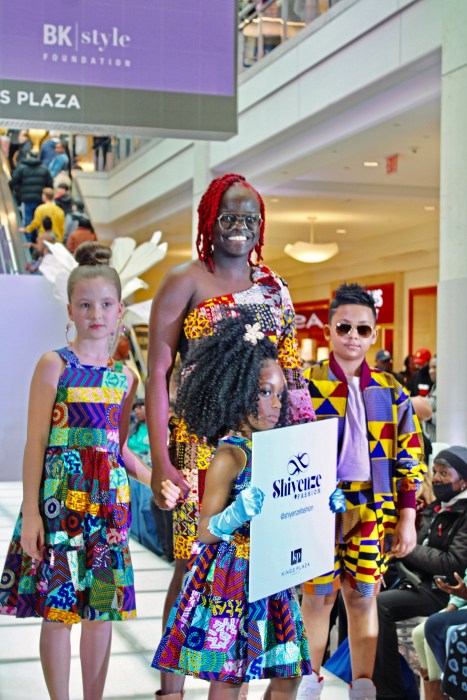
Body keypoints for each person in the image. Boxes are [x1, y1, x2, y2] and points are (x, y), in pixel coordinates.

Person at [146, 172, 315, 699]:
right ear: (209, 219)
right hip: (197, 445)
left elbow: (291, 373)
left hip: (263, 448)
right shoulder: (184, 280)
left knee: (252, 568)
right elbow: (157, 372)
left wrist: (304, 453)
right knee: (193, 561)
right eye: (229, 218)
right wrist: (158, 461)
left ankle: (239, 670)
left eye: (250, 219)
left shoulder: (274, 286)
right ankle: (170, 687)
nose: (239, 228)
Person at [0, 242, 151, 700]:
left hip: (108, 508)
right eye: (85, 305)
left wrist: (156, 478)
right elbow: (37, 443)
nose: (96, 314)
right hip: (59, 504)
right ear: (70, 309)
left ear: (119, 309)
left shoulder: (126, 377)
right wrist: (30, 513)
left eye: (105, 304)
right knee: (59, 610)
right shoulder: (53, 366)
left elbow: (118, 445)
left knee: (100, 612)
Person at [152, 313, 312, 698]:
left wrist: (319, 502)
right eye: (263, 392)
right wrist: (236, 514)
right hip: (234, 575)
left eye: (279, 393)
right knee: (229, 674)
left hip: (274, 573)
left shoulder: (278, 449)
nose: (274, 404)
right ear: (237, 390)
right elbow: (204, 529)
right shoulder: (229, 455)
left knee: (288, 671)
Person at [299, 283, 426, 700]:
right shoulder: (306, 385)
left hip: (373, 507)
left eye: (363, 329)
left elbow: (409, 456)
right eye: (344, 326)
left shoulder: (391, 390)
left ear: (374, 334)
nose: (353, 335)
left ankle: (363, 686)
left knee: (363, 595)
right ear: (329, 331)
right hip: (318, 507)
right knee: (317, 597)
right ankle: (307, 681)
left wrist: (407, 517)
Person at [372, 445, 467, 700]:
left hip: (444, 589)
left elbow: (453, 564)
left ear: (464, 481)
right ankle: (361, 676)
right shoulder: (437, 508)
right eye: (435, 471)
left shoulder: (463, 512)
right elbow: (422, 550)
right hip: (419, 581)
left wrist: (407, 548)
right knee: (363, 591)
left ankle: (391, 693)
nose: (436, 478)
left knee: (379, 605)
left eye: (445, 473)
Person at [9, 151, 53, 231]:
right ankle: (36, 238)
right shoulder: (44, 168)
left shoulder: (21, 168)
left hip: (26, 198)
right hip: (40, 198)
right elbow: (50, 183)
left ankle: (28, 239)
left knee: (28, 219)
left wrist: (9, 186)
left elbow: (14, 181)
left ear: (28, 156)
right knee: (39, 218)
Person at [423, 355, 437, 445]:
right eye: (430, 368)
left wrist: (429, 416)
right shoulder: (434, 388)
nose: (431, 371)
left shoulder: (448, 392)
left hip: (439, 441)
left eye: (435, 367)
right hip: (429, 440)